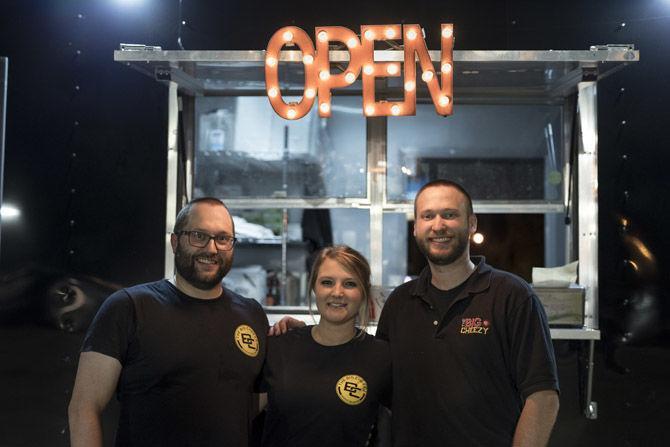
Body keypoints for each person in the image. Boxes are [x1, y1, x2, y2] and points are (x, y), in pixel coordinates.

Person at [68, 197, 268, 447]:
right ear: (175, 242)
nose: (212, 248)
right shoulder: (129, 307)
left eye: (223, 238)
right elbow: (84, 407)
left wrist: (295, 337)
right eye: (199, 235)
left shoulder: (251, 314)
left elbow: (254, 402)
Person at [376, 179, 560, 446]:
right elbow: (375, 380)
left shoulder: (512, 296)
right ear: (416, 228)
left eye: (450, 215)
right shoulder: (400, 302)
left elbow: (543, 397)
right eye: (428, 216)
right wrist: (312, 337)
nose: (438, 225)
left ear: (471, 224)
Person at [260, 245, 391, 447]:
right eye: (327, 282)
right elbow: (244, 414)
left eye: (349, 284)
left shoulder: (381, 357)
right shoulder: (280, 345)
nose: (337, 292)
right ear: (314, 287)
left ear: (364, 292)